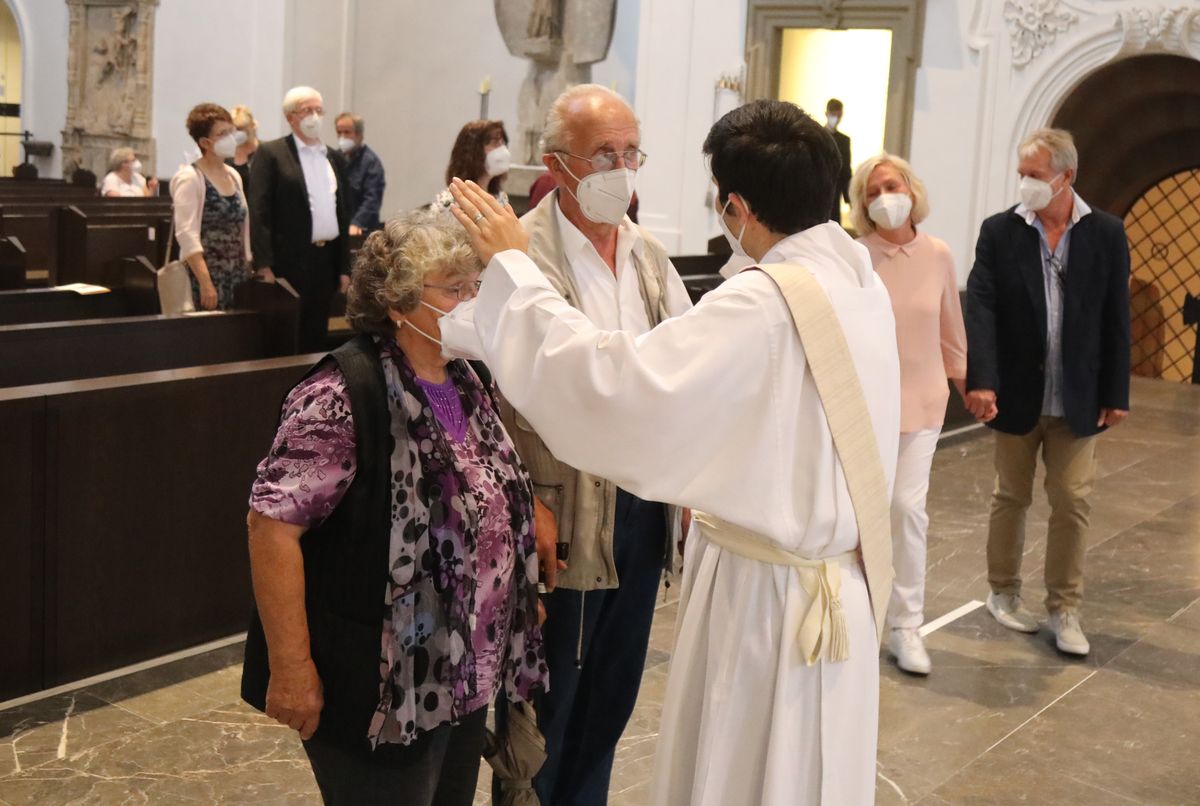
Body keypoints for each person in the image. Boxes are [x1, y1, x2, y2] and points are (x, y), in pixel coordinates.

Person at [446, 97, 900, 806]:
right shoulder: (860, 283)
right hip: (835, 583)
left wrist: (513, 271)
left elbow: (620, 388)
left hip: (769, 597)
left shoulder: (761, 304)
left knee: (744, 771)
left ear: (739, 207)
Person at [241, 209, 549, 806]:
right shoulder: (341, 393)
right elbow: (270, 529)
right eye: (454, 289)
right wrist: (292, 667)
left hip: (463, 671)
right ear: (399, 303)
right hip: (378, 679)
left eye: (476, 286)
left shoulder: (467, 377)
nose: (472, 303)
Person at [483, 84, 691, 806]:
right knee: (545, 715)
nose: (623, 169)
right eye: (606, 153)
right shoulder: (513, 251)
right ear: (557, 163)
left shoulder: (647, 255)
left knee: (610, 700)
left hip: (637, 506)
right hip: (556, 513)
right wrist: (520, 505)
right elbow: (486, 395)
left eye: (632, 152)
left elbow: (679, 372)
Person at [964, 127, 1131, 656]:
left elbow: (1115, 317)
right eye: (1022, 175)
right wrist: (982, 379)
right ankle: (1003, 593)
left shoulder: (1105, 232)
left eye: (1035, 176)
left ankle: (1064, 608)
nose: (1025, 184)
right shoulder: (1000, 232)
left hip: (1077, 393)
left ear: (1067, 176)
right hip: (1015, 391)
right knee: (1010, 497)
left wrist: (1116, 389)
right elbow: (982, 308)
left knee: (1073, 500)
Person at [850, 153, 968, 675]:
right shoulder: (856, 255)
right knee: (861, 515)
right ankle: (860, 617)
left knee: (906, 508)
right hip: (866, 402)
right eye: (871, 193)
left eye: (890, 186)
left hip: (923, 399)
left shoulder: (938, 253)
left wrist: (971, 382)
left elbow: (950, 325)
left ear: (911, 189)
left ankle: (907, 624)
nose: (883, 198)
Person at [249, 86, 352, 352]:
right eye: (307, 110)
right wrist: (264, 264)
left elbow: (342, 212)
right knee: (286, 335)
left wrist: (344, 267)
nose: (315, 116)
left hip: (325, 260)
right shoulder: (271, 153)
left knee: (316, 334)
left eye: (319, 110)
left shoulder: (333, 157)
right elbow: (259, 211)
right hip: (288, 262)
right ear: (291, 117)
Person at [169, 103, 253, 312]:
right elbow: (186, 234)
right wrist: (206, 283)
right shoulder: (189, 178)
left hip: (237, 274)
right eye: (222, 134)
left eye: (231, 131)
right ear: (205, 142)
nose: (231, 138)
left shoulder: (233, 175)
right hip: (205, 277)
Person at [335, 112, 386, 236]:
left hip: (362, 231)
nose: (342, 137)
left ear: (359, 135)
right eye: (339, 132)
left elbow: (372, 199)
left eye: (347, 132)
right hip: (338, 228)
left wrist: (357, 223)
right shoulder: (334, 158)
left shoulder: (371, 163)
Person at [444, 120, 511, 203]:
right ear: (473, 151)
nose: (502, 150)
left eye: (503, 143)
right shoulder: (451, 201)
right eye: (494, 143)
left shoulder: (501, 198)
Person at [826, 99, 851, 223]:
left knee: (834, 220)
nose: (835, 118)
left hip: (836, 188)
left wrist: (848, 197)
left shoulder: (844, 140)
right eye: (833, 114)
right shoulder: (817, 135)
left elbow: (846, 169)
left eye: (838, 115)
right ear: (827, 113)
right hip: (819, 185)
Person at [228, 104, 259, 192]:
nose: (236, 133)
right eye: (232, 129)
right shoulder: (226, 156)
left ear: (253, 125)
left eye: (240, 128)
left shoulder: (265, 152)